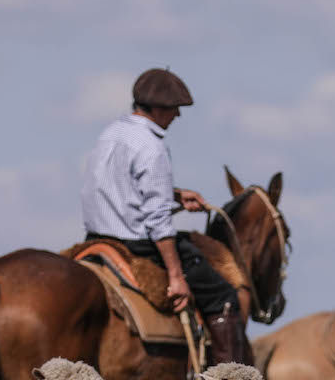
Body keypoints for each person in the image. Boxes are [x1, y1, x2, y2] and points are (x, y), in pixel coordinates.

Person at [80, 67, 252, 364]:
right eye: (175, 109)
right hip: (136, 242)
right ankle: (230, 379)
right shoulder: (152, 146)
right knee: (223, 296)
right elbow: (158, 221)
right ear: (159, 108)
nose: (177, 116)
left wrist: (174, 194)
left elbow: (120, 184)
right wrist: (175, 275)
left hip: (96, 237)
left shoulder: (111, 134)